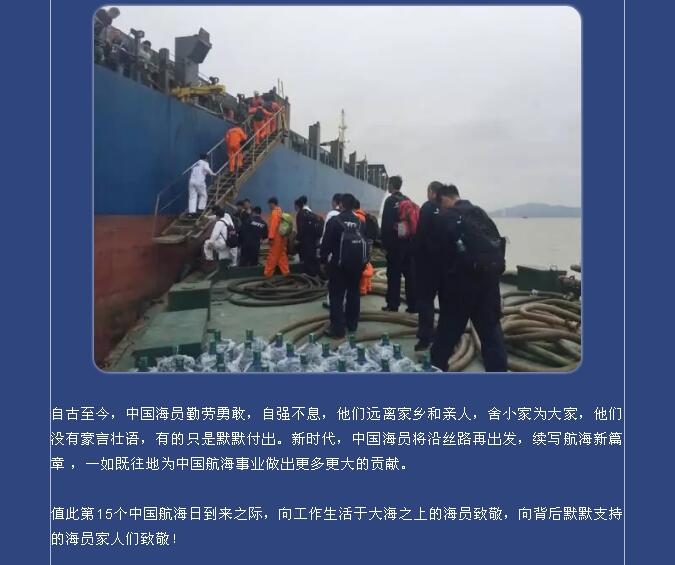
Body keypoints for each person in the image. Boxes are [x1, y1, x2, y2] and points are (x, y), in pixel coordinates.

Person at [429, 184, 508, 372]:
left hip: (459, 290)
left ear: (445, 200)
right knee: (492, 338)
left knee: (445, 337)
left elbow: (437, 258)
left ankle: (435, 371)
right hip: (488, 289)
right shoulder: (481, 214)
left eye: (440, 205)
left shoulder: (447, 218)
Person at [320, 193, 367, 338]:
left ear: (340, 204)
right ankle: (352, 325)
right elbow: (366, 242)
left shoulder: (334, 221)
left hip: (338, 266)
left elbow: (326, 244)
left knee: (336, 297)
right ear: (353, 205)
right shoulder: (361, 222)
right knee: (354, 294)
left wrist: (323, 261)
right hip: (356, 266)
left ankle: (337, 330)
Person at [413, 181, 443, 351]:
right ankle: (443, 336)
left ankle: (425, 337)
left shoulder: (427, 208)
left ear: (431, 192)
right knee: (445, 302)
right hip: (445, 265)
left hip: (427, 264)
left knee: (425, 301)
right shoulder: (448, 208)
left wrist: (415, 258)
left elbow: (420, 235)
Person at [380, 175, 417, 312]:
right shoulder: (407, 200)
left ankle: (393, 304)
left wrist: (384, 244)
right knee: (410, 275)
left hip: (395, 245)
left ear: (391, 185)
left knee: (394, 275)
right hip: (409, 243)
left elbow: (386, 224)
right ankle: (413, 305)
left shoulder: (390, 201)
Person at [321, 194, 343, 308]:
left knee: (333, 280)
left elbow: (326, 235)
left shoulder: (331, 214)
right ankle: (343, 302)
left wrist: (323, 255)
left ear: (335, 202)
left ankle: (330, 301)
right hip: (346, 255)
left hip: (333, 254)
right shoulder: (354, 216)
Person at [294, 196, 320, 277]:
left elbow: (300, 228)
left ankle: (307, 273)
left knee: (305, 257)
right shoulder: (310, 213)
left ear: (297, 206)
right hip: (313, 239)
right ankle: (313, 273)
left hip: (305, 239)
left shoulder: (300, 214)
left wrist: (297, 239)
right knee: (311, 256)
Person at [264, 197, 290, 277]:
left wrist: (271, 238)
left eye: (269, 204)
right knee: (282, 255)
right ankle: (286, 272)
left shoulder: (274, 213)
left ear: (272, 203)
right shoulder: (281, 212)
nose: (269, 206)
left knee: (272, 256)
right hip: (282, 238)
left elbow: (273, 226)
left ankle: (268, 273)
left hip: (276, 239)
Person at [353, 199, 374, 296]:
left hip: (360, 245)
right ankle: (368, 287)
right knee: (366, 265)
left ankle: (362, 289)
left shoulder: (357, 217)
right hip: (368, 245)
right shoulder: (364, 215)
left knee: (361, 269)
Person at [188, 153, 215, 217]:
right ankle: (200, 209)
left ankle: (191, 212)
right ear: (205, 158)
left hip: (191, 181)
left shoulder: (196, 164)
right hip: (199, 181)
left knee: (192, 197)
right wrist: (212, 173)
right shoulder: (205, 163)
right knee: (203, 195)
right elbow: (206, 168)